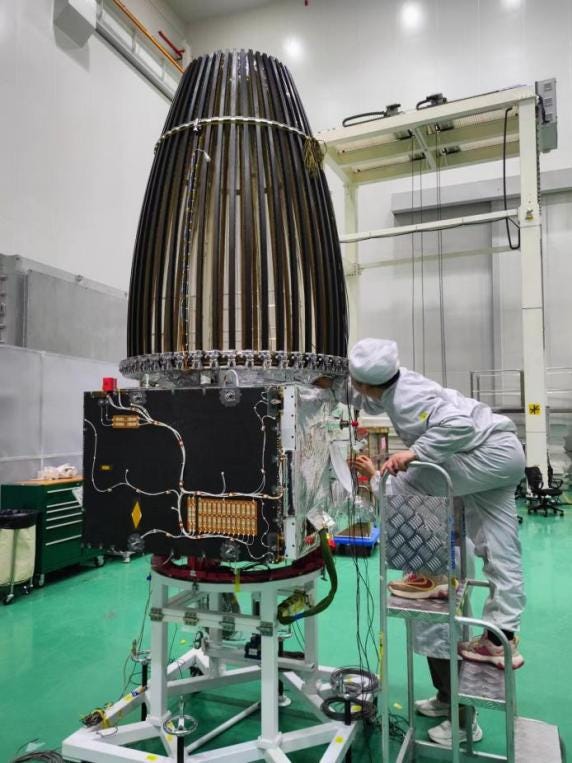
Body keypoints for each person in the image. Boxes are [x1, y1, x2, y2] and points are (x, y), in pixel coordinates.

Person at [332, 338, 526, 746]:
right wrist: (327, 384)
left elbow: (459, 426)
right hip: (502, 455)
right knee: (499, 544)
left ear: (367, 381)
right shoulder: (392, 389)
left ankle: (428, 573)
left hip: (487, 453)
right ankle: (502, 632)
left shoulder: (407, 397)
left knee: (409, 480)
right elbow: (365, 399)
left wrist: (412, 453)